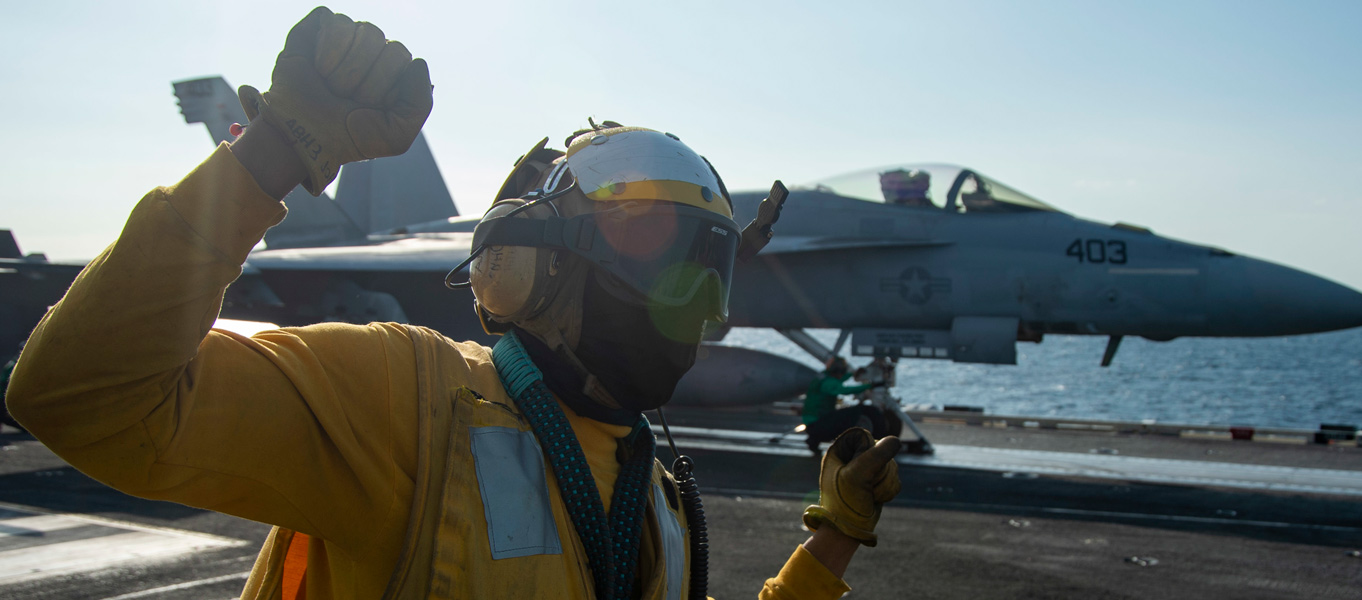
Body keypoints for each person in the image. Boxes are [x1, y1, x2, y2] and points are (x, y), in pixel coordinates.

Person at [5, 7, 902, 600]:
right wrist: (273, 153)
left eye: (713, 266)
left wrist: (832, 537)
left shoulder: (654, 489)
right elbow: (80, 398)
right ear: (531, 263)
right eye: (653, 245)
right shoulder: (405, 398)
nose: (694, 299)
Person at [802, 358, 890, 456]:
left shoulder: (823, 377)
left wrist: (852, 374)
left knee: (837, 416)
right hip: (818, 424)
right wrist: (869, 386)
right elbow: (844, 390)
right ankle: (818, 439)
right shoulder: (828, 383)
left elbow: (838, 381)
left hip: (813, 422)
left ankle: (814, 439)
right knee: (854, 412)